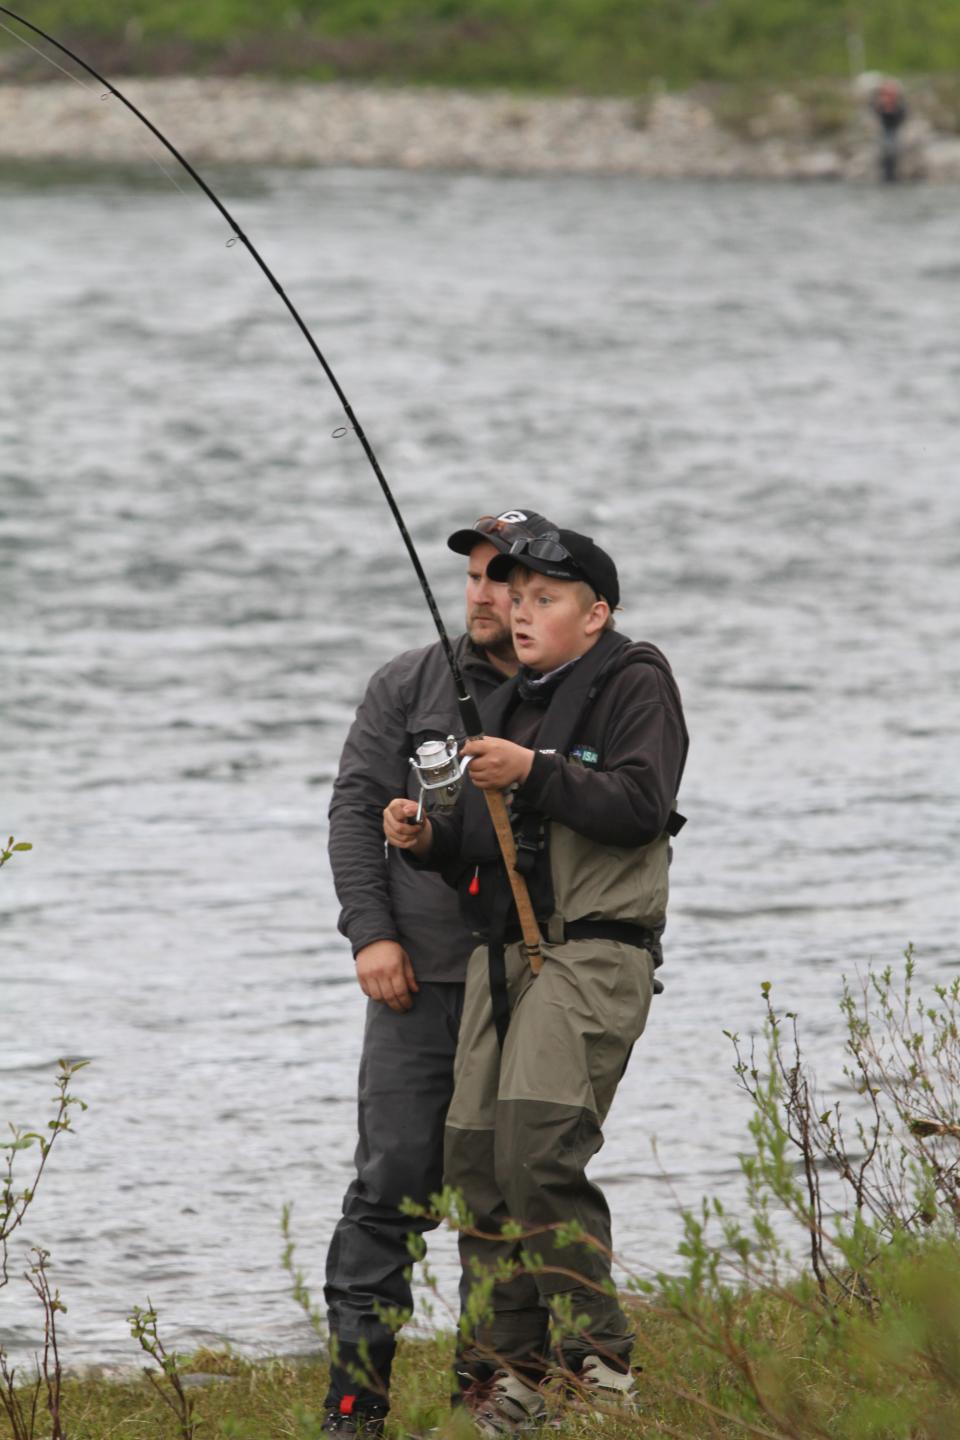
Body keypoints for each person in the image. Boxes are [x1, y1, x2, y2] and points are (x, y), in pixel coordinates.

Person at [385, 527, 688, 1435]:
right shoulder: (511, 704)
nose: (520, 612)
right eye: (514, 598)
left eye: (545, 599)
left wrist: (539, 772)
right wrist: (427, 839)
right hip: (502, 959)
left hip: (593, 950)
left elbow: (640, 806)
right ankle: (508, 1380)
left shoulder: (638, 682)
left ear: (596, 614)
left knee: (537, 1148)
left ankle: (601, 1367)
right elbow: (487, 850)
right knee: (475, 1160)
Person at [322, 509, 559, 1438]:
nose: (483, 593)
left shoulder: (574, 691)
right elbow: (351, 811)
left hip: (531, 981)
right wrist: (369, 935)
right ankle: (354, 1404)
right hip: (417, 980)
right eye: (472, 576)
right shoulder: (407, 682)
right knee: (389, 1190)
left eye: (504, 577)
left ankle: (494, 1394)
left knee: (509, 1191)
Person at [871, 77, 907, 182]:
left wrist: (891, 109)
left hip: (895, 133)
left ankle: (893, 175)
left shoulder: (900, 105)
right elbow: (875, 118)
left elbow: (901, 118)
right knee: (886, 149)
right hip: (882, 134)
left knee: (892, 149)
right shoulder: (877, 104)